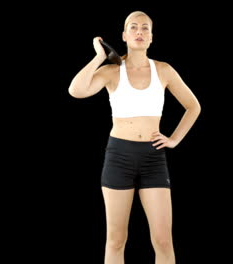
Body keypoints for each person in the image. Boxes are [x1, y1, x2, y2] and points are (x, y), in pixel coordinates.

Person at [68, 10, 201, 264]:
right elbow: (76, 90)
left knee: (163, 240)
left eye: (145, 28)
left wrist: (174, 139)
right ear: (124, 35)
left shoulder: (164, 70)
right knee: (116, 240)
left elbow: (193, 106)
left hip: (153, 158)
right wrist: (99, 57)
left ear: (151, 37)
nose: (139, 31)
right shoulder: (111, 71)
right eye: (133, 27)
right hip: (119, 157)